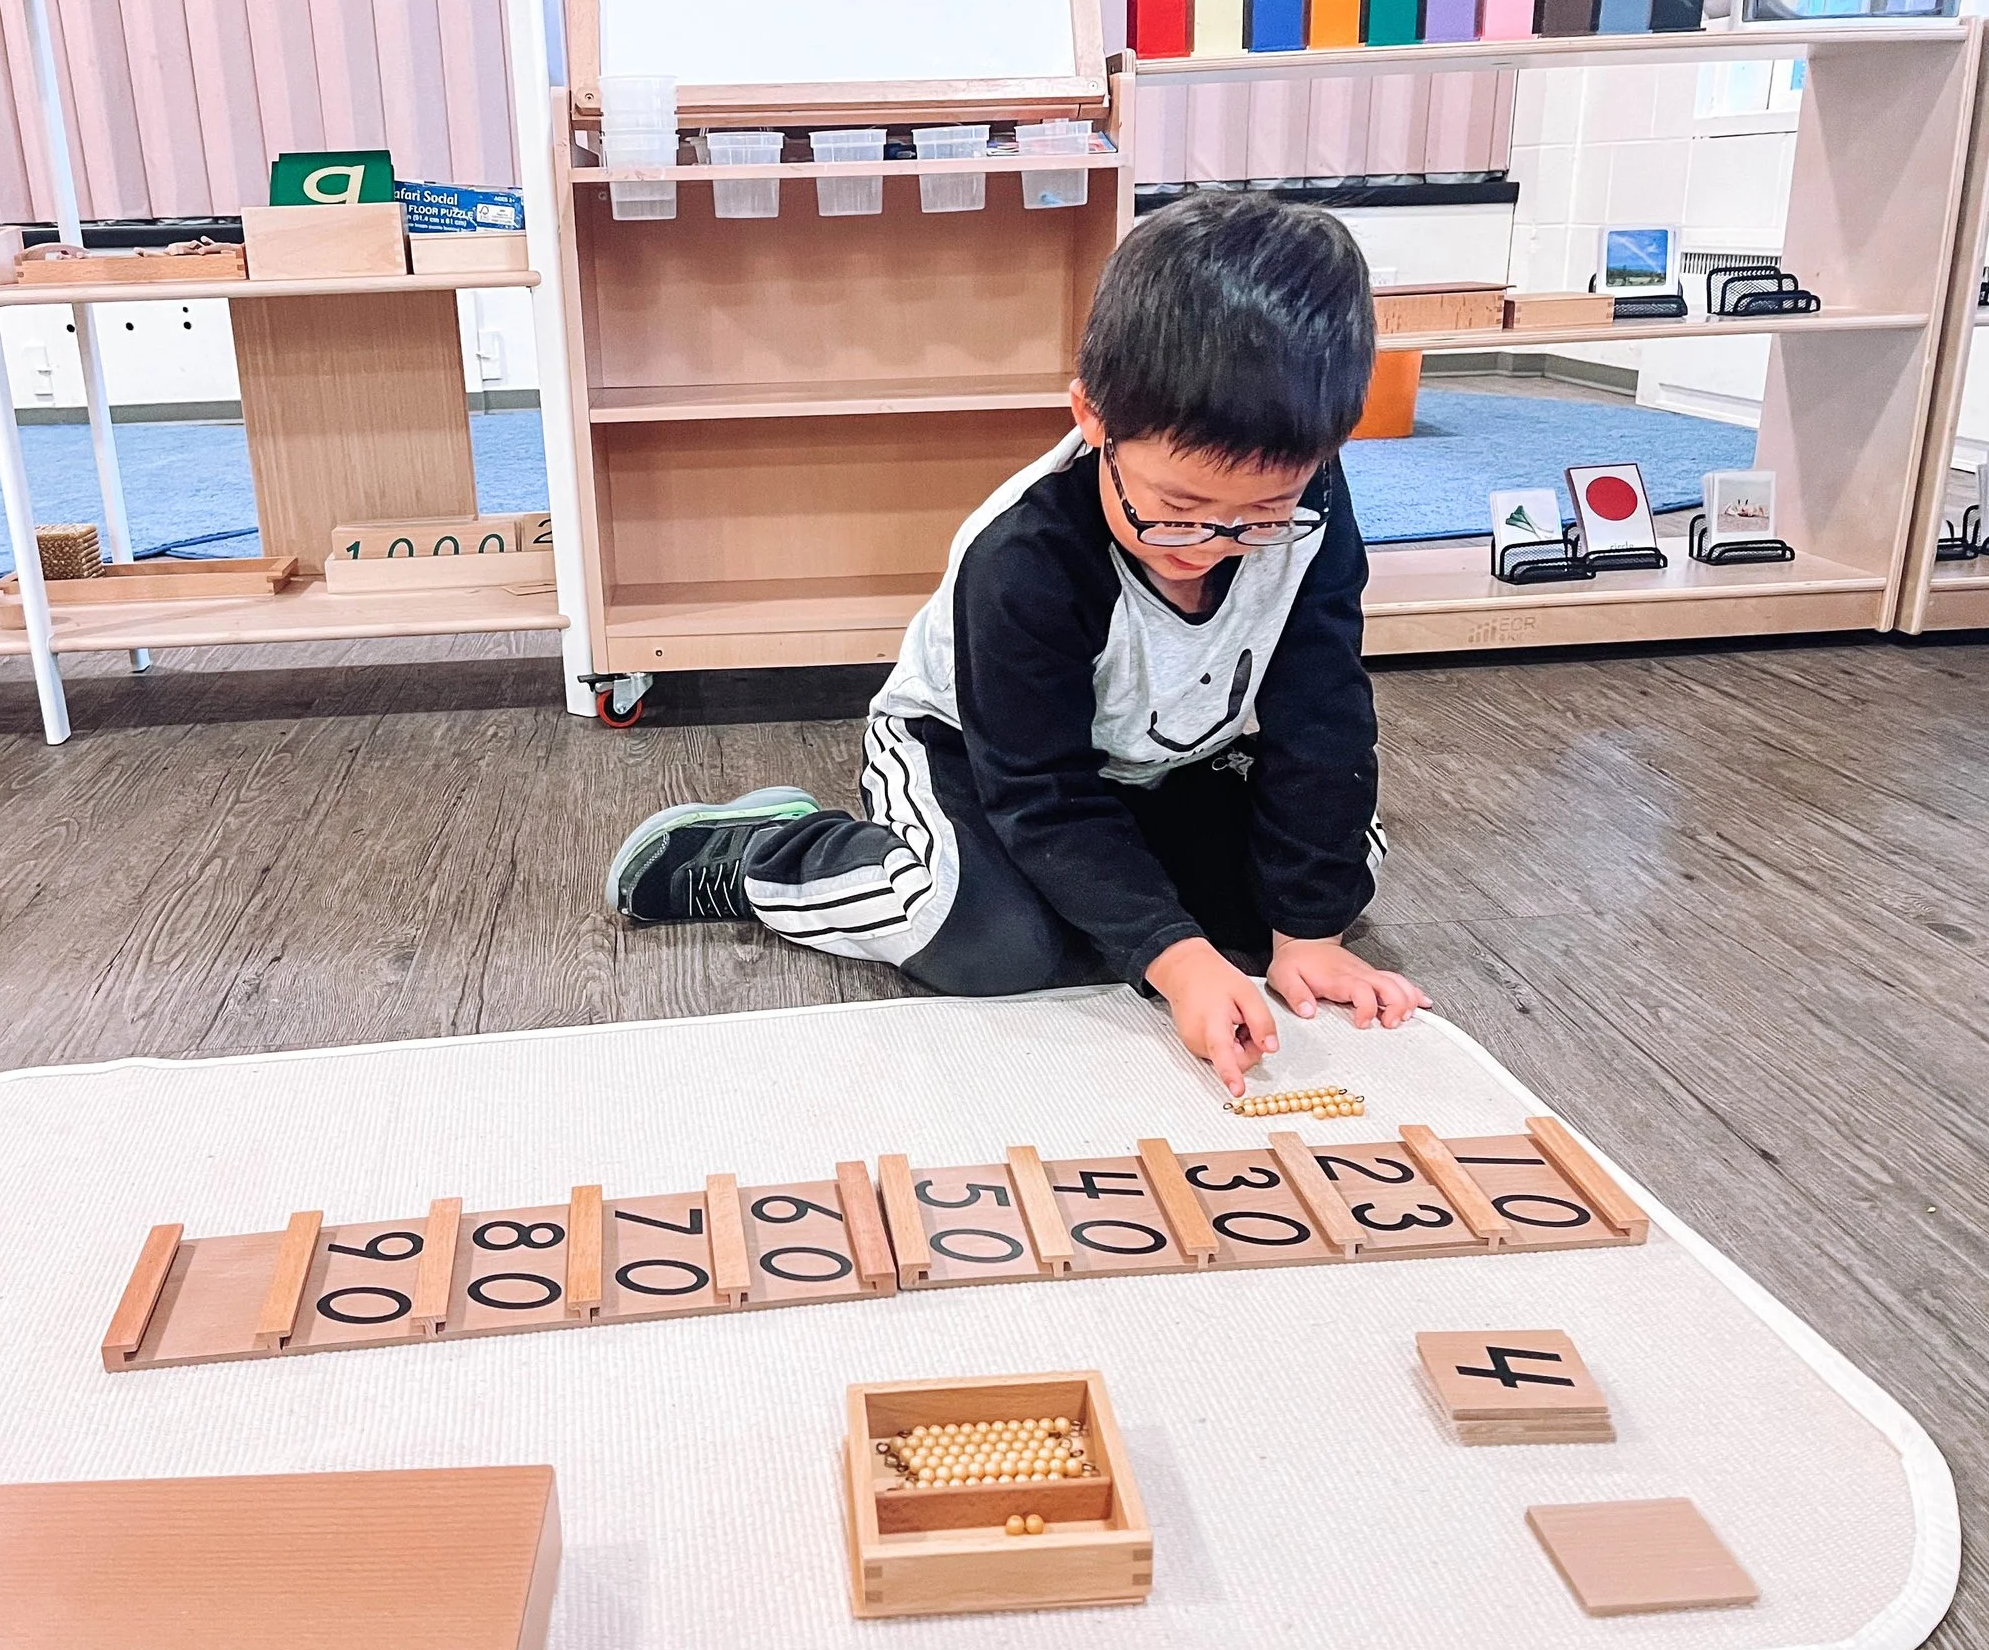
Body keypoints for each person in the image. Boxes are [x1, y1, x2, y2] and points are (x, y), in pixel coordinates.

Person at [603, 192, 1428, 1094]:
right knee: (987, 940)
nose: (1212, 550)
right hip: (977, 757)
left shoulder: (1315, 504)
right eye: (1178, 512)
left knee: (1332, 873)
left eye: (1260, 516)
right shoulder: (1025, 557)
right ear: (1092, 419)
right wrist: (1178, 958)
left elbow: (1324, 716)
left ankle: (1133, 904)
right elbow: (1039, 792)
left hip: (1161, 765)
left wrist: (1308, 934)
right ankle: (774, 853)